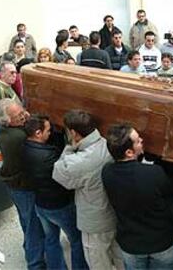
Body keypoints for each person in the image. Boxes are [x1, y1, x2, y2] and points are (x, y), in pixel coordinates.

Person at [52, 110, 124, 270]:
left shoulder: (79, 161)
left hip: (95, 223)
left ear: (73, 132)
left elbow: (58, 172)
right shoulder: (108, 144)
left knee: (99, 263)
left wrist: (70, 146)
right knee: (120, 259)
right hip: (115, 215)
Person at [102, 124, 173, 269]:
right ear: (129, 152)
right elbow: (172, 196)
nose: (142, 140)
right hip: (161, 242)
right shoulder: (154, 173)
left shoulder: (107, 172)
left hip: (131, 245)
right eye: (138, 141)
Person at [23, 115, 88, 270]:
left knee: (51, 239)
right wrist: (71, 146)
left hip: (40, 204)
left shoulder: (24, 147)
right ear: (38, 133)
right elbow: (65, 171)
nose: (50, 132)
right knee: (76, 239)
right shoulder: (48, 156)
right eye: (48, 130)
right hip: (59, 206)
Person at [0, 98, 46, 270]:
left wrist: (25, 117)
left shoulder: (6, 130)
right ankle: (35, 264)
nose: (23, 117)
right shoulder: (18, 137)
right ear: (7, 121)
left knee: (26, 221)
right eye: (19, 116)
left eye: (22, 112)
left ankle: (29, 250)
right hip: (23, 188)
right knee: (33, 226)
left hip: (14, 187)